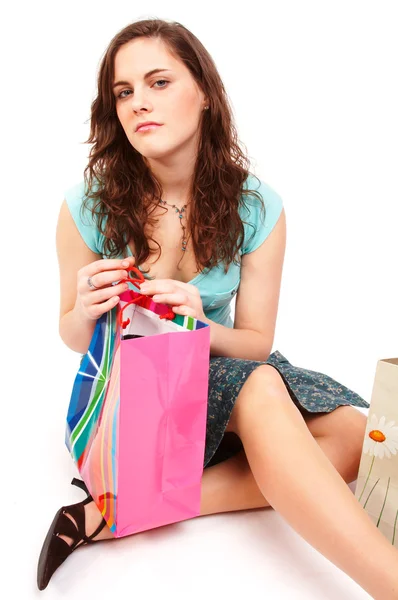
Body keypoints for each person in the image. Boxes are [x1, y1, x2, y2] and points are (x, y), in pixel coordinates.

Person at [37, 18, 398, 597]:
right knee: (259, 388)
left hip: (218, 383)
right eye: (124, 92)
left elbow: (254, 339)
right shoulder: (89, 204)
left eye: (158, 82)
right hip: (135, 402)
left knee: (356, 435)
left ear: (203, 91)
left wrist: (199, 324)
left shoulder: (257, 207)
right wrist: (84, 308)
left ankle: (127, 509)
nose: (138, 104)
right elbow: (72, 334)